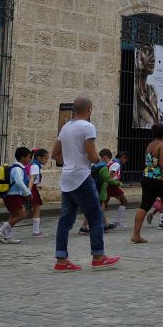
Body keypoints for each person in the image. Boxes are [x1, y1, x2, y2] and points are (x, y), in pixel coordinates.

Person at [50, 96, 120, 271]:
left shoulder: (65, 127)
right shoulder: (88, 127)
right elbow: (91, 155)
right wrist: (100, 163)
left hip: (66, 177)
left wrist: (69, 162)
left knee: (65, 220)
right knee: (95, 216)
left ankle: (61, 259)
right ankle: (98, 256)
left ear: (75, 110)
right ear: (90, 109)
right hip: (81, 177)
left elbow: (55, 154)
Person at [0, 147, 32, 244]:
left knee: (13, 215)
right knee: (21, 215)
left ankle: (9, 236)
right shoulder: (17, 169)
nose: (29, 159)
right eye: (28, 157)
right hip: (13, 196)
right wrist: (28, 193)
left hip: (10, 195)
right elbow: (19, 182)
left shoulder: (14, 168)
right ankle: (0, 230)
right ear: (22, 158)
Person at [105, 151, 129, 230]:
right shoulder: (117, 164)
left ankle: (101, 223)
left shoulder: (112, 161)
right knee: (124, 201)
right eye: (125, 159)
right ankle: (118, 222)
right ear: (122, 157)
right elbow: (110, 176)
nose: (125, 162)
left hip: (109, 185)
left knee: (103, 205)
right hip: (112, 185)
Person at [29, 148, 48, 237]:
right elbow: (32, 179)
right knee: (36, 208)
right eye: (46, 158)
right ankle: (36, 231)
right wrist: (30, 190)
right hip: (31, 189)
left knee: (33, 208)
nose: (46, 160)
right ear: (39, 158)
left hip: (33, 187)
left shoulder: (32, 164)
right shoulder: (35, 166)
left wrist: (37, 185)